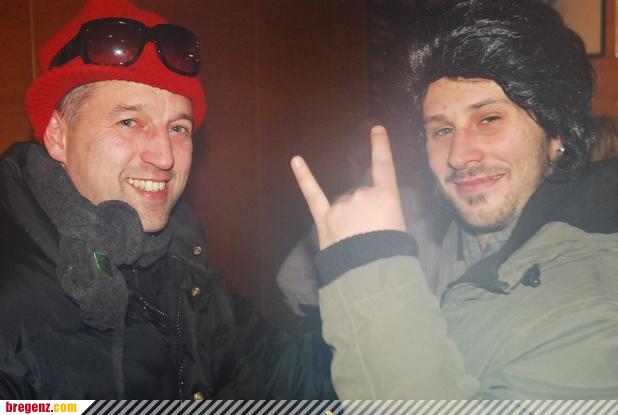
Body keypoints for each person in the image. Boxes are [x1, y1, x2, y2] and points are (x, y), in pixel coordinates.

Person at [0, 0, 334, 399]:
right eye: (129, 122)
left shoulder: (184, 257)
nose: (164, 157)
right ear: (59, 136)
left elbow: (287, 377)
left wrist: (371, 288)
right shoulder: (12, 303)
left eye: (178, 128)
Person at [291, 0, 618, 399]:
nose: (459, 155)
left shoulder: (598, 304)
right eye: (442, 130)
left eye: (489, 119)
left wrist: (369, 269)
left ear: (557, 134)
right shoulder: (464, 239)